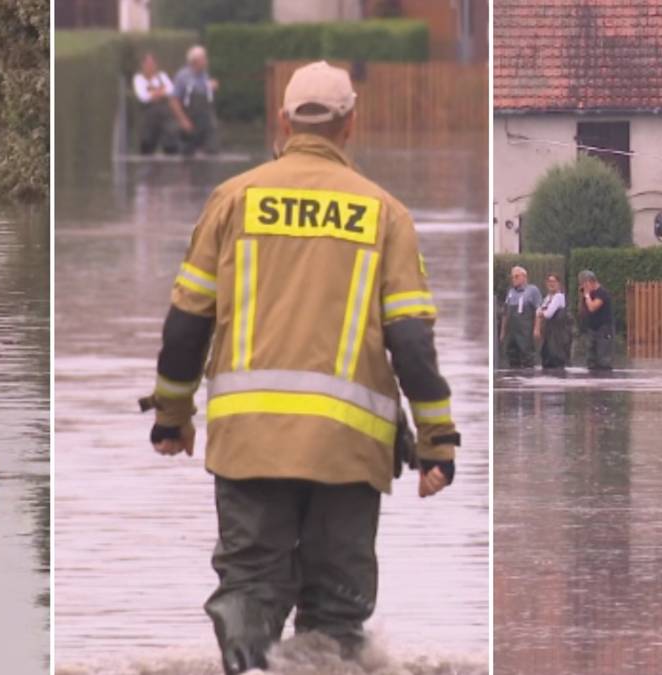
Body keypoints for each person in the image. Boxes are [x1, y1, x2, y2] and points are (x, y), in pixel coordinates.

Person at [144, 61, 458, 674]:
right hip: (349, 449)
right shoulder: (384, 213)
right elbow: (413, 346)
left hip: (249, 441)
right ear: (351, 125)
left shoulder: (232, 200)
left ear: (283, 122)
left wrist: (171, 416)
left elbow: (186, 323)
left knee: (250, 592)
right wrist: (439, 443)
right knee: (337, 617)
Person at [170, 45, 219, 157]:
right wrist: (183, 120)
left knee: (212, 152)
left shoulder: (205, 76)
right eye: (204, 59)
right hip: (190, 120)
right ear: (195, 61)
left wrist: (212, 88)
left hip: (205, 122)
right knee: (188, 155)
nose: (206, 61)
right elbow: (174, 101)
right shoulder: (182, 76)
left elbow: (207, 100)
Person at [132, 53, 178, 155]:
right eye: (148, 64)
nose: (150, 66)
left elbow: (171, 90)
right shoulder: (138, 79)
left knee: (171, 141)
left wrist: (154, 93)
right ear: (142, 65)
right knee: (147, 144)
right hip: (148, 118)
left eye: (152, 64)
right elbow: (142, 96)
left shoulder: (162, 76)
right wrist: (160, 91)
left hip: (165, 118)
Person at [500, 266, 541, 368]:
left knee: (527, 356)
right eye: (513, 277)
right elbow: (505, 312)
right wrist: (503, 332)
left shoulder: (532, 290)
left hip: (525, 331)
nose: (514, 279)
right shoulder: (510, 292)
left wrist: (537, 328)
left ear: (524, 277)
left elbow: (538, 310)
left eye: (516, 276)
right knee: (512, 356)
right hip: (512, 331)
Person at [578, 270, 614, 371]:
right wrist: (582, 297)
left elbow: (592, 307)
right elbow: (582, 311)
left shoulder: (602, 293)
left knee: (603, 359)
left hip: (603, 329)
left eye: (584, 283)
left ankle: (604, 379)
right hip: (592, 328)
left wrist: (587, 295)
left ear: (590, 281)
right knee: (591, 358)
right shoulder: (589, 294)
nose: (583, 286)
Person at [535, 273, 571, 370]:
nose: (551, 284)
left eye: (554, 282)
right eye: (549, 282)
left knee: (556, 359)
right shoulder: (547, 298)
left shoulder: (559, 297)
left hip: (558, 335)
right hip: (548, 334)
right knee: (546, 357)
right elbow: (538, 311)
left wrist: (541, 312)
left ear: (559, 284)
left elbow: (548, 314)